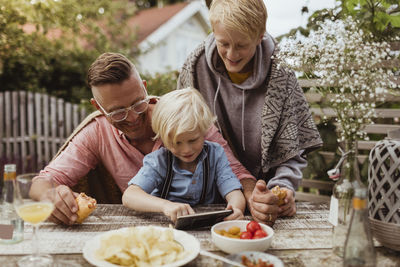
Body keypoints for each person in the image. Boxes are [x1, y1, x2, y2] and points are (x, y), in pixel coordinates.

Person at [30, 52, 255, 225]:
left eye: (138, 103)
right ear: (98, 107)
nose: (132, 118)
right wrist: (52, 196)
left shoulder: (183, 119)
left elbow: (236, 173)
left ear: (145, 89)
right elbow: (43, 181)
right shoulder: (96, 133)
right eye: (117, 112)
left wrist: (254, 198)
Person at [177, 0, 322, 224]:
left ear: (260, 35)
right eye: (223, 43)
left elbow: (292, 152)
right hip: (211, 202)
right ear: (213, 31)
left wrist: (281, 190)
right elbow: (183, 134)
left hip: (264, 206)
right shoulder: (195, 68)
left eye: (241, 45)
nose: (231, 54)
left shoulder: (280, 74)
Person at [122, 88, 245, 223]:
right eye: (176, 143)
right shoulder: (159, 161)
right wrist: (165, 206)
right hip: (166, 225)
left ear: (204, 131)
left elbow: (231, 188)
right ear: (162, 138)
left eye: (193, 140)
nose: (186, 150)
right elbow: (129, 196)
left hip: (205, 225)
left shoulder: (215, 154)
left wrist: (236, 208)